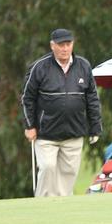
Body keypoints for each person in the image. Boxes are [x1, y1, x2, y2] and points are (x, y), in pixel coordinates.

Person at [21, 28, 103, 196]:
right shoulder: (40, 67)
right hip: (45, 134)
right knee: (47, 167)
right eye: (61, 45)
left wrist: (95, 127)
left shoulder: (83, 66)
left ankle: (62, 209)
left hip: (74, 132)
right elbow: (27, 98)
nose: (65, 48)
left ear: (73, 44)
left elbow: (92, 99)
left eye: (68, 44)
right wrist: (29, 125)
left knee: (68, 175)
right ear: (52, 46)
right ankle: (42, 207)